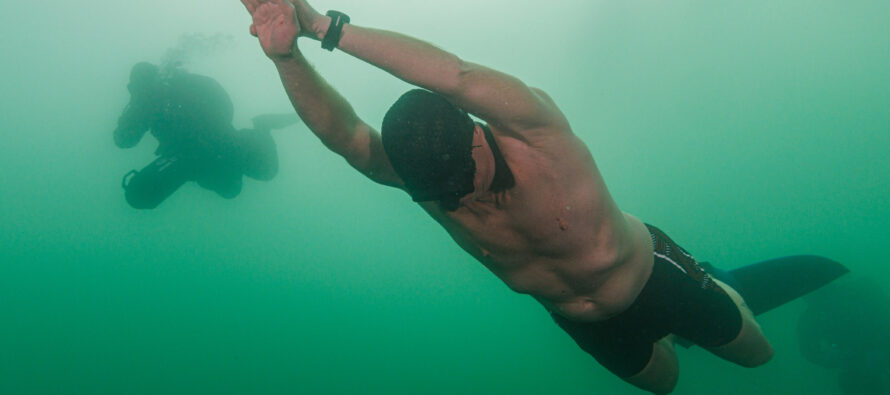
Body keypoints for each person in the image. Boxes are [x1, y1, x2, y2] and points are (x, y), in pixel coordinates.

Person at [238, 1, 843, 393]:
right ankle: (684, 324)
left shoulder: (535, 133)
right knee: (668, 385)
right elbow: (346, 138)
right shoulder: (428, 182)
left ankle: (713, 281)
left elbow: (455, 75)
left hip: (651, 276)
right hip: (581, 320)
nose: (456, 199)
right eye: (440, 193)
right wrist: (283, 54)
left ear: (475, 132)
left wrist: (323, 27)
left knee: (757, 358)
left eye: (460, 179)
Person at [114, 62, 295, 209]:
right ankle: (261, 129)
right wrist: (136, 105)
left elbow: (124, 140)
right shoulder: (146, 103)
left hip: (216, 141)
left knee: (257, 176)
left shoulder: (175, 88)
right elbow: (123, 140)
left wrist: (214, 131)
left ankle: (262, 126)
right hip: (193, 151)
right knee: (231, 190)